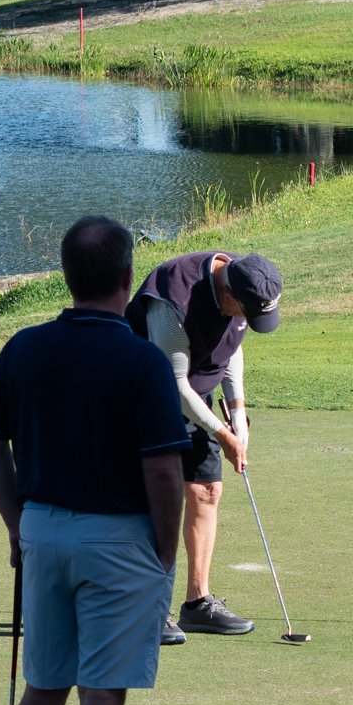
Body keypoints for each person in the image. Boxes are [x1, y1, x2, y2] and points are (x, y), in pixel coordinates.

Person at [0, 215, 189, 705]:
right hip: (119, 538)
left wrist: (17, 523)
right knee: (102, 693)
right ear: (127, 277)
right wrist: (166, 551)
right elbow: (163, 471)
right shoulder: (142, 360)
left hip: (43, 529)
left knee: (44, 685)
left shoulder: (25, 346)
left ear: (66, 276)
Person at [128, 249, 285, 643]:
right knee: (153, 497)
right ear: (228, 294)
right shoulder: (173, 301)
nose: (246, 319)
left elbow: (232, 347)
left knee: (207, 489)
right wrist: (222, 434)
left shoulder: (243, 284)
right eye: (245, 311)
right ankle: (146, 608)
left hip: (194, 395)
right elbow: (175, 385)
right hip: (143, 393)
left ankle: (197, 603)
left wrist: (238, 412)